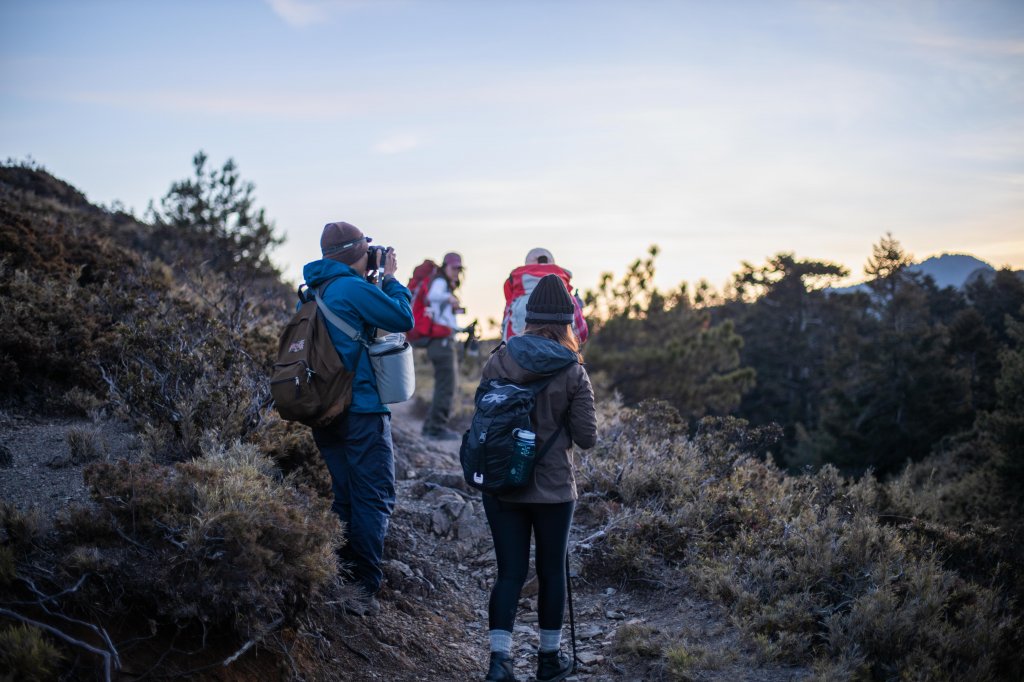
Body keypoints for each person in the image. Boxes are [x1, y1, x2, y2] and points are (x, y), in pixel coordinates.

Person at [480, 274, 598, 682]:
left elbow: (483, 420)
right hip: (552, 488)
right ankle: (549, 660)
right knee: (551, 571)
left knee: (509, 572)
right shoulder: (573, 370)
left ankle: (500, 662)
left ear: (528, 319)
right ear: (567, 322)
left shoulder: (498, 357)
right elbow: (587, 438)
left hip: (500, 484)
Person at [302, 221, 414, 616]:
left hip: (324, 411)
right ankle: (362, 588)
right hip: (360, 410)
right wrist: (392, 279)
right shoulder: (351, 288)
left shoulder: (314, 290)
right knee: (375, 496)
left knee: (346, 497)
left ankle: (341, 575)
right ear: (355, 252)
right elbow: (402, 318)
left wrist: (371, 276)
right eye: (367, 248)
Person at [422, 251, 465, 440]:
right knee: (447, 385)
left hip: (441, 342)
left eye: (459, 268)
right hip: (441, 343)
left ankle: (430, 426)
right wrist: (450, 298)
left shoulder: (443, 283)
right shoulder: (440, 283)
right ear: (445, 266)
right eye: (454, 268)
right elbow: (433, 296)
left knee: (443, 384)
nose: (457, 272)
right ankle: (436, 428)